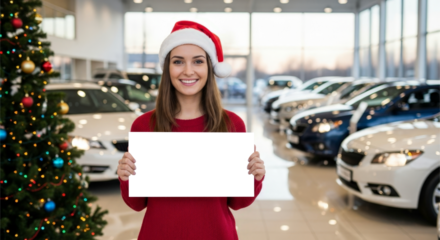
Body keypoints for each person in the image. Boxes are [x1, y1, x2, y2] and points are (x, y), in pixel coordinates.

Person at [117, 20, 266, 240]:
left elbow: (238, 202)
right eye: (178, 62)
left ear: (209, 67)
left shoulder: (231, 124)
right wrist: (126, 176)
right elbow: (137, 204)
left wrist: (255, 176)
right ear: (168, 68)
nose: (188, 71)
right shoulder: (144, 126)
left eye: (198, 61)